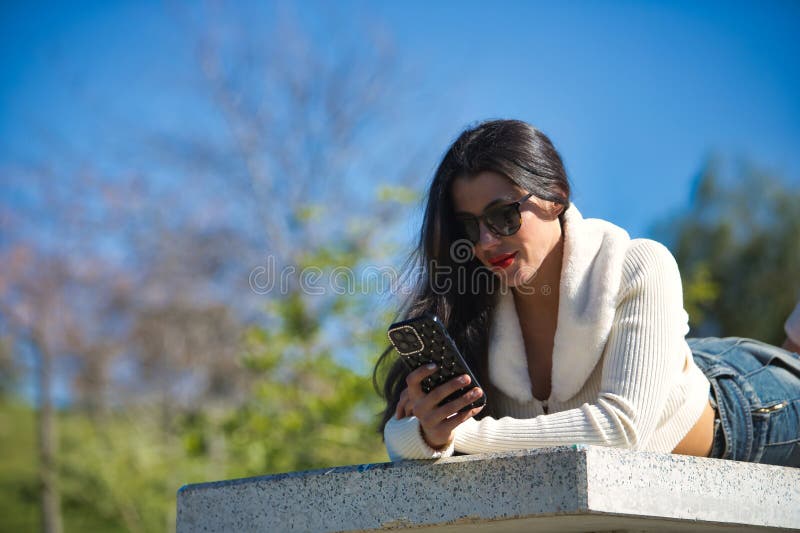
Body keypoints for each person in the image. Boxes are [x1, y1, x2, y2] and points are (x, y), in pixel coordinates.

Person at [373, 119, 800, 467]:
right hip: (661, 359)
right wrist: (428, 432)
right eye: (469, 225)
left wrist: (459, 434)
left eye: (503, 216)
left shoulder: (640, 264)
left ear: (556, 197)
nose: (485, 241)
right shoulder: (473, 303)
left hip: (747, 410)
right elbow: (401, 437)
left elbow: (619, 433)